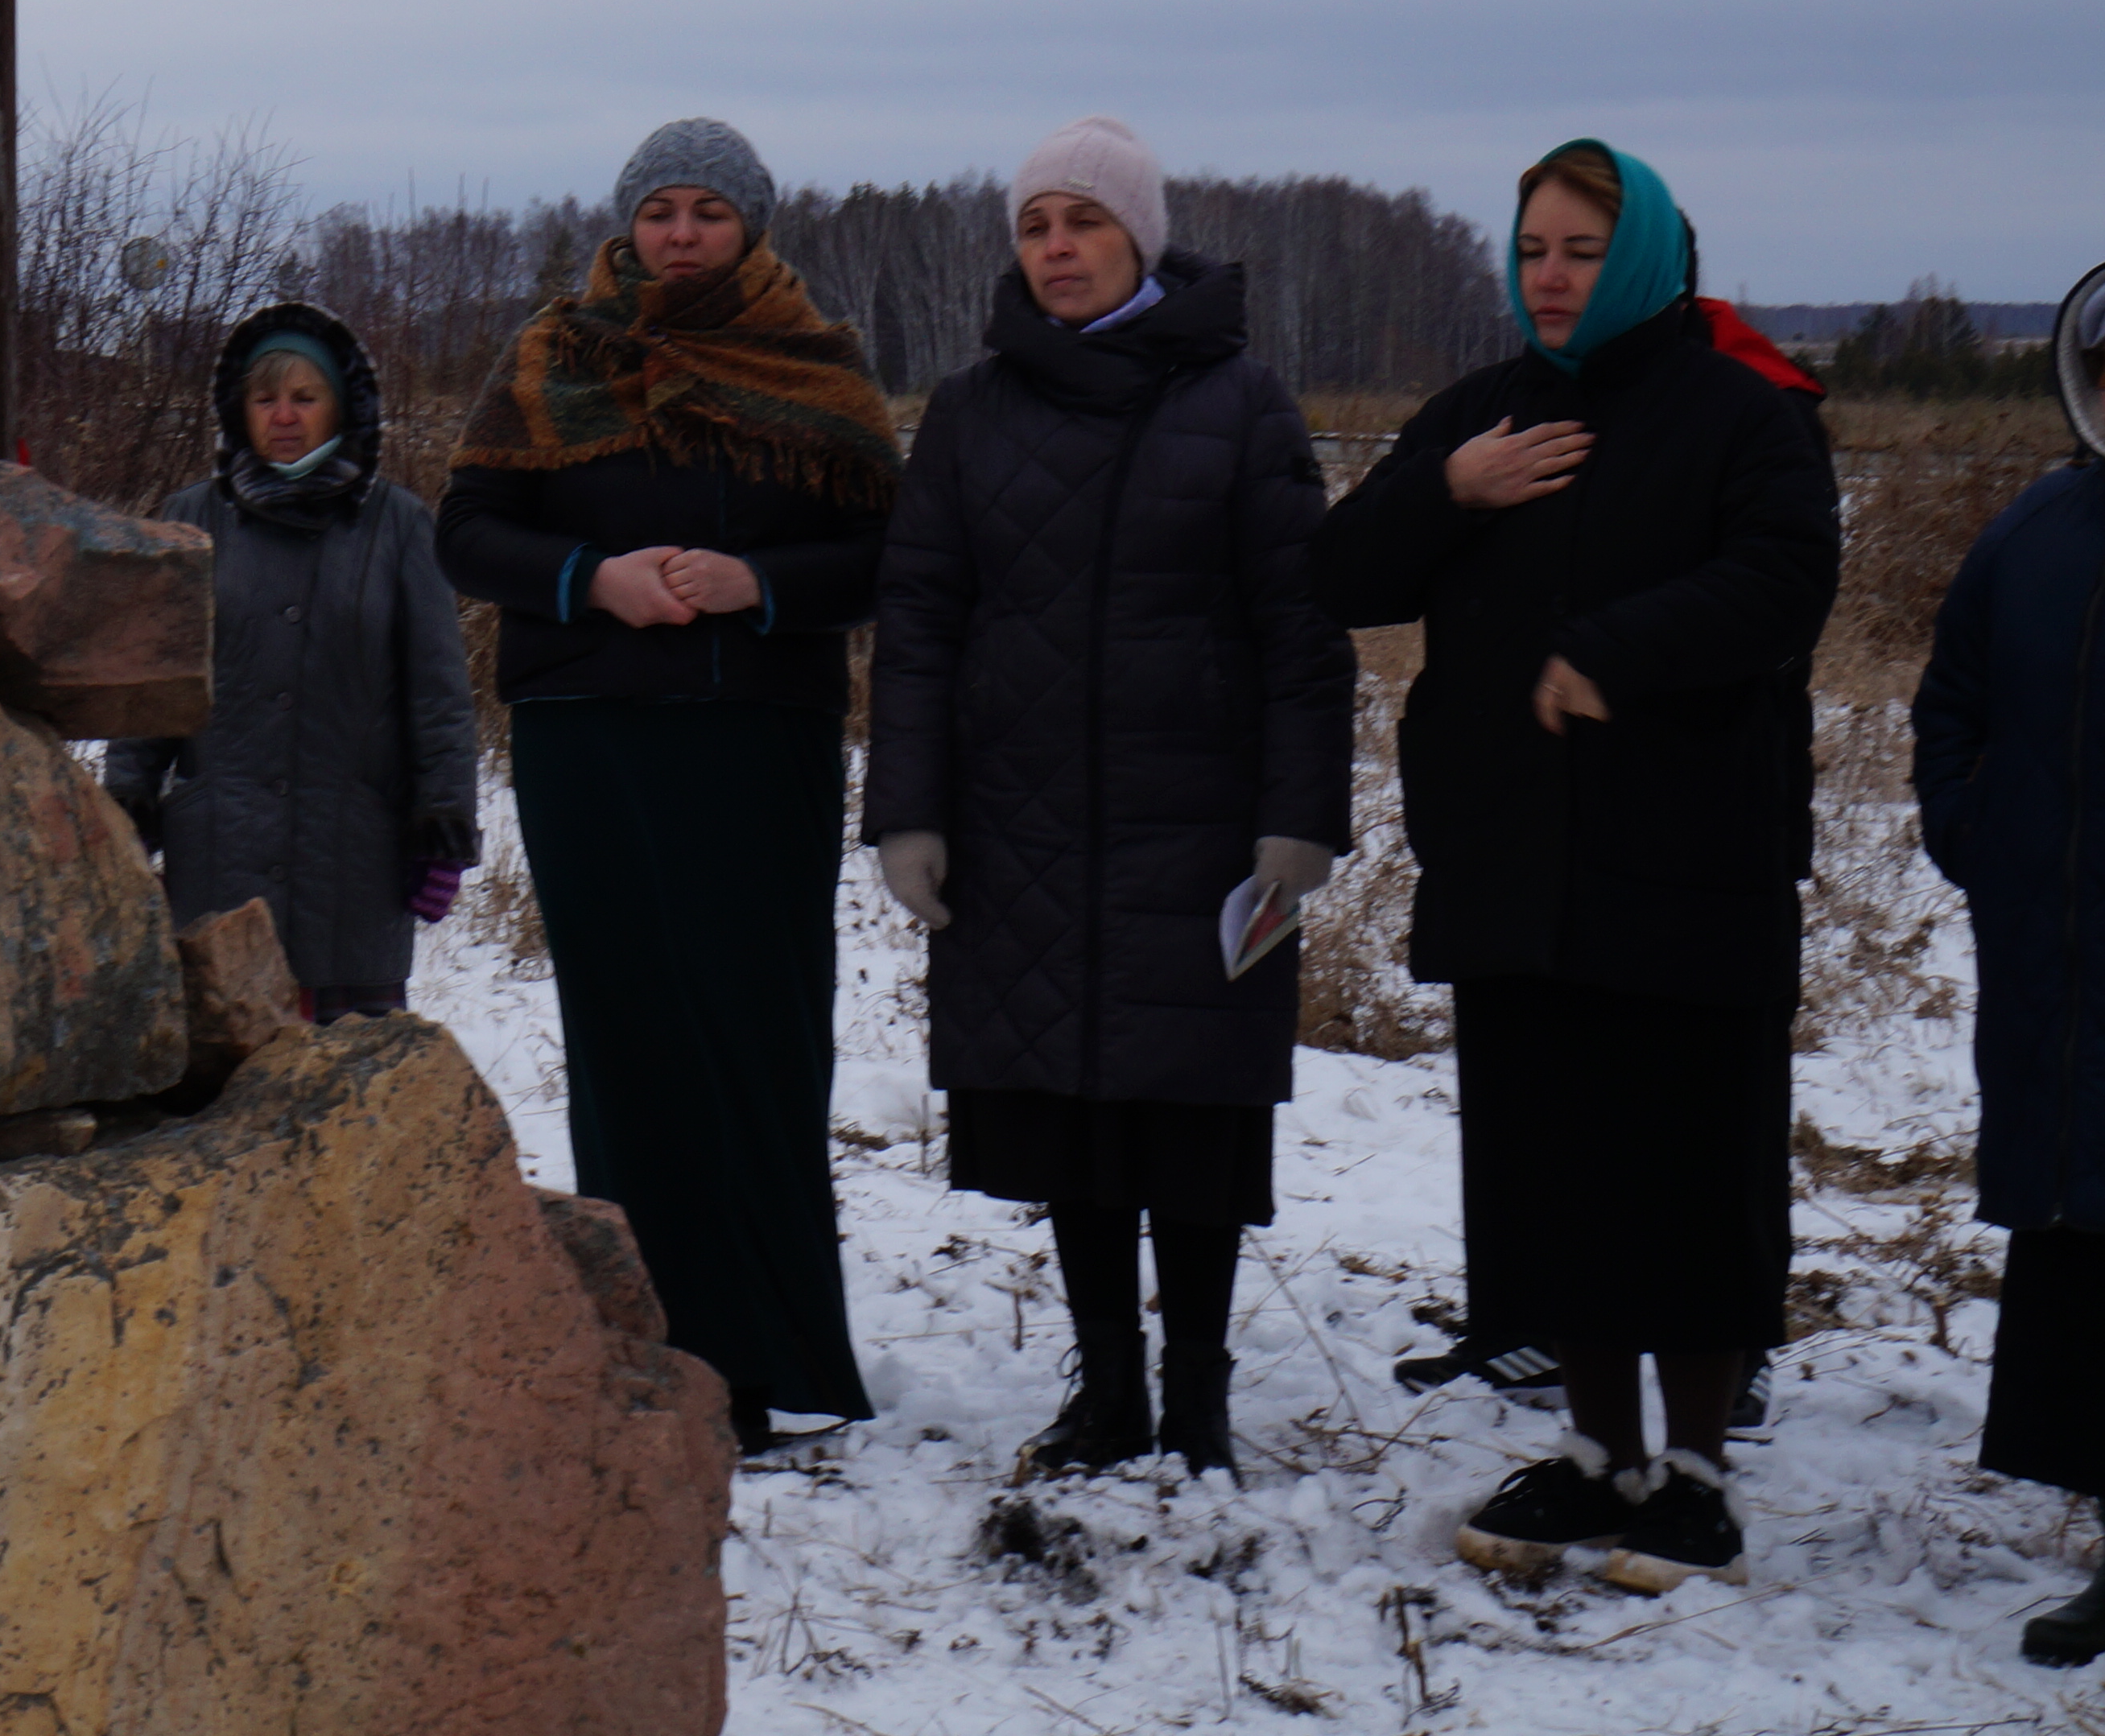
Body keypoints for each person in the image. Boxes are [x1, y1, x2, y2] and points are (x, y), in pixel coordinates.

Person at [1310, 138, 1838, 1594]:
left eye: (1582, 249)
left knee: (1683, 1159)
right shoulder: (1480, 417)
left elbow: (1787, 582)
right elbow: (1337, 577)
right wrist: (1448, 490)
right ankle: (1598, 1453)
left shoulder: (1744, 414)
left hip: (1685, 858)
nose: (1551, 274)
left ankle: (1699, 1471)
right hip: (1511, 861)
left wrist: (1618, 651)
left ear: (1652, 256)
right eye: (1533, 247)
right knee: (1553, 1172)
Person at [864, 117, 1353, 1480]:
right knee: (1066, 1107)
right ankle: (1110, 1391)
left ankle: (1197, 1394)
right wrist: (909, 808)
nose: (1056, 247)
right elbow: (919, 612)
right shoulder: (973, 409)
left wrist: (1298, 815)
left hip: (1198, 823)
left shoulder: (1238, 401)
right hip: (1020, 820)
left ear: (1138, 234)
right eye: (1034, 225)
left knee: (1190, 1112)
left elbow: (1299, 625)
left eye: (1081, 221)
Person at [435, 117, 904, 1453]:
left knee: (755, 1033)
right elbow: (466, 528)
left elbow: (887, 547)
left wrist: (765, 586)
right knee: (632, 1034)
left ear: (749, 226)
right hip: (595, 738)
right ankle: (646, 1340)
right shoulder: (553, 356)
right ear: (625, 223)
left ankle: (767, 1350)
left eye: (708, 210)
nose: (681, 232)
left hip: (760, 739)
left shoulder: (817, 361)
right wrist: (596, 581)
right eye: (660, 209)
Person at [101, 303, 481, 1020]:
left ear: (341, 409)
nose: (283, 415)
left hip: (354, 864)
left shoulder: (398, 526)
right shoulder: (189, 521)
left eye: (304, 398)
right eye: (265, 397)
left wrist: (442, 826)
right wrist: (130, 801)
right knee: (221, 1101)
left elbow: (439, 697)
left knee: (355, 1104)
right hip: (218, 860)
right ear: (237, 409)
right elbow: (147, 686)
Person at [1913, 278, 2105, 1665]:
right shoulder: (2035, 534)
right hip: (2059, 974)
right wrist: (1969, 824)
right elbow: (1951, 698)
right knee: (2089, 1258)